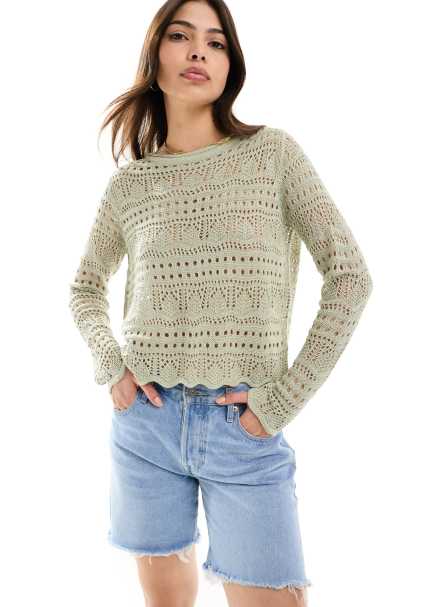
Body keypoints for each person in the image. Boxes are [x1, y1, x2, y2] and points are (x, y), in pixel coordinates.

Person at [68, 1, 373, 605]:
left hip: (245, 427)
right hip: (147, 425)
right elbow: (85, 286)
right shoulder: (131, 185)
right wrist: (112, 366)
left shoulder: (272, 156)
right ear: (155, 54)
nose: (198, 52)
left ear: (231, 63)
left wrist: (283, 399)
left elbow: (350, 277)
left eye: (216, 42)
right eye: (181, 36)